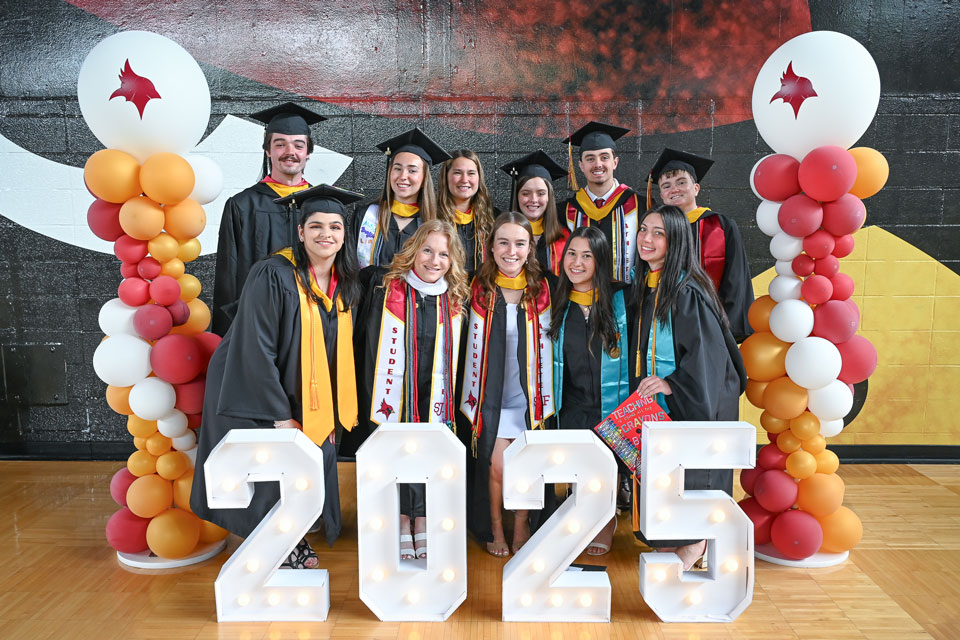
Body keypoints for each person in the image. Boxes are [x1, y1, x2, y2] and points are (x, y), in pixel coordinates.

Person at [191, 184, 364, 569]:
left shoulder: (342, 283)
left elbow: (336, 354)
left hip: (304, 386)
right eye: (316, 226)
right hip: (257, 383)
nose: (326, 235)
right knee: (275, 461)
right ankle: (282, 543)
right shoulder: (273, 273)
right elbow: (256, 347)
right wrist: (280, 414)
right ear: (300, 232)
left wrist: (331, 411)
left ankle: (294, 531)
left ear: (344, 235)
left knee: (304, 460)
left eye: (335, 227)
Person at [628, 204, 747, 570]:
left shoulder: (685, 290)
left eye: (658, 233)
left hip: (695, 399)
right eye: (644, 230)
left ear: (676, 239)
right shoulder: (654, 284)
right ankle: (674, 538)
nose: (646, 239)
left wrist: (672, 383)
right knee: (666, 472)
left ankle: (696, 540)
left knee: (691, 471)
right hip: (669, 404)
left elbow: (706, 358)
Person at [350, 220, 470, 560]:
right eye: (427, 250)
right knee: (397, 452)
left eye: (443, 254)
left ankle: (425, 517)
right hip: (392, 395)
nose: (434, 261)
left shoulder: (456, 297)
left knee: (429, 451)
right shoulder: (384, 289)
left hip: (436, 395)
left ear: (453, 259)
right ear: (413, 250)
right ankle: (401, 518)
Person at [459, 211, 555, 558]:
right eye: (504, 242)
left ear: (531, 248)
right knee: (497, 466)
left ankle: (522, 523)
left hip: (532, 397)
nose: (511, 251)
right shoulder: (476, 287)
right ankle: (496, 526)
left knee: (527, 465)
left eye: (519, 243)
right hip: (490, 399)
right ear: (491, 247)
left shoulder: (546, 289)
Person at [548, 226, 631, 555]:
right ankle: (579, 508)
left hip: (612, 404)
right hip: (573, 402)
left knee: (606, 458)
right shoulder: (557, 301)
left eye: (587, 255)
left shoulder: (622, 300)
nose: (577, 262)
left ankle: (607, 517)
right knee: (577, 460)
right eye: (571, 253)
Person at [212, 102, 325, 335]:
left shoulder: (323, 207)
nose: (289, 152)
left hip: (312, 323)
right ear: (268, 150)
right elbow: (227, 280)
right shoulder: (242, 206)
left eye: (298, 145)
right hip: (257, 326)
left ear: (308, 152)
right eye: (280, 144)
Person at [648, 148, 754, 341]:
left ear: (696, 188)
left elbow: (736, 279)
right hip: (664, 325)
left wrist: (728, 329)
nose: (675, 189)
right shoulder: (654, 230)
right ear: (662, 195)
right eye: (666, 186)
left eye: (681, 182)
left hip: (712, 323)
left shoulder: (720, 225)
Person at [356, 128, 450, 268]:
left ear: (424, 178)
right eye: (397, 168)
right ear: (390, 172)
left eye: (412, 170)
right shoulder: (366, 216)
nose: (403, 176)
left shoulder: (437, 222)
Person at [562, 121, 640, 283]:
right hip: (581, 300)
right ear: (581, 166)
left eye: (604, 157)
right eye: (590, 159)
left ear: (615, 162)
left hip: (627, 302)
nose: (598, 164)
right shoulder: (565, 211)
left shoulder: (641, 206)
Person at [500, 150, 569, 277]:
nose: (533, 199)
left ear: (549, 197)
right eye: (526, 193)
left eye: (541, 193)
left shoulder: (565, 238)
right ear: (517, 196)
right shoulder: (500, 237)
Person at [437, 149, 497, 274]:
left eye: (471, 173)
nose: (464, 179)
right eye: (457, 173)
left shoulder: (493, 219)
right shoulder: (431, 217)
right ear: (446, 176)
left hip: (481, 291)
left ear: (479, 178)